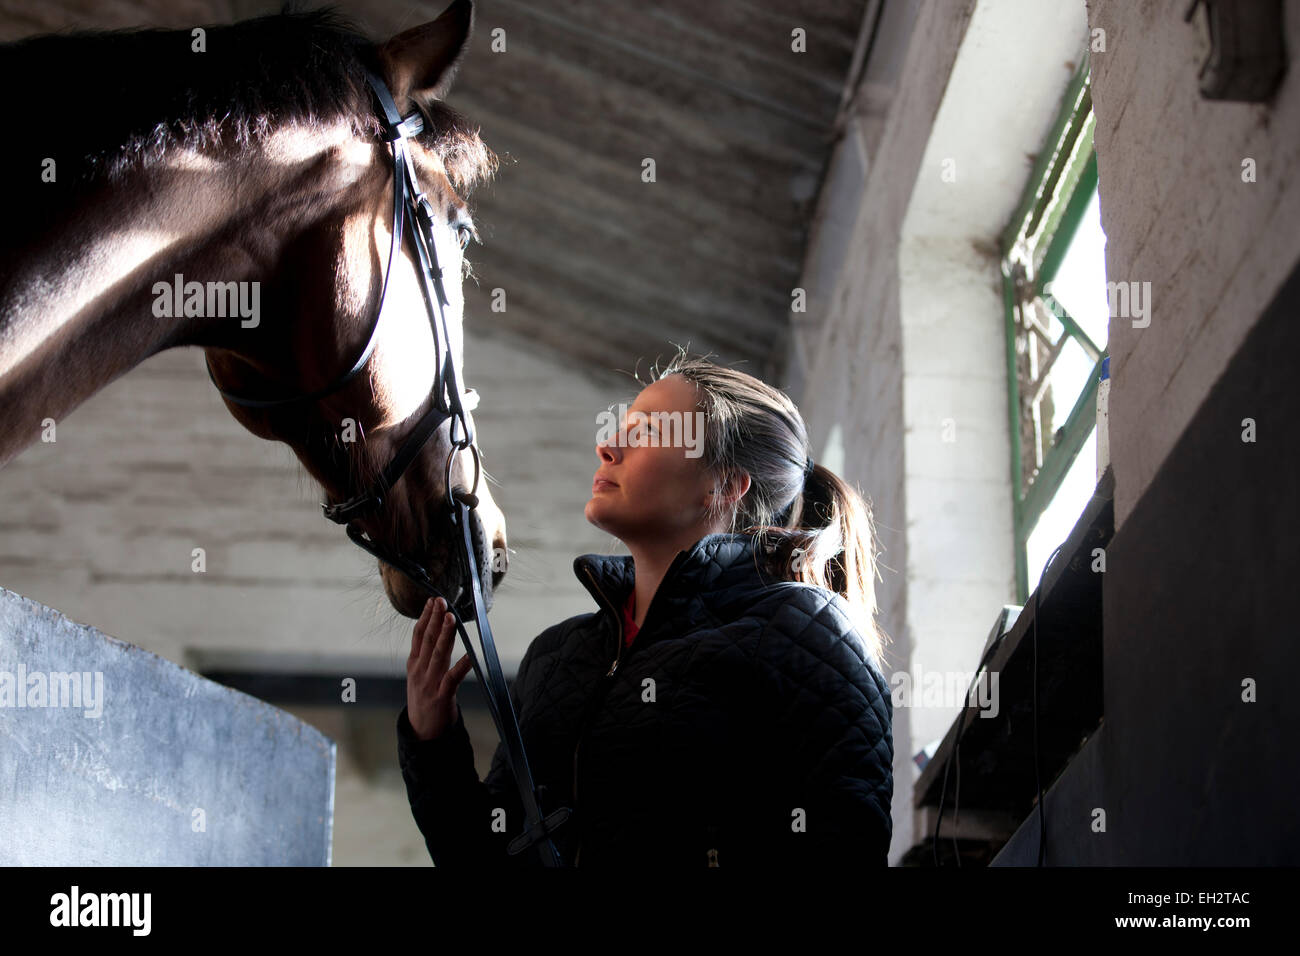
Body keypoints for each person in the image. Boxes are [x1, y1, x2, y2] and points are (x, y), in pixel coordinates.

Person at [395, 348, 894, 867]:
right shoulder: (557, 656)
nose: (608, 446)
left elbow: (844, 844)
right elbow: (485, 856)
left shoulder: (805, 637)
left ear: (723, 486)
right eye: (621, 428)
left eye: (649, 431)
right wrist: (432, 741)